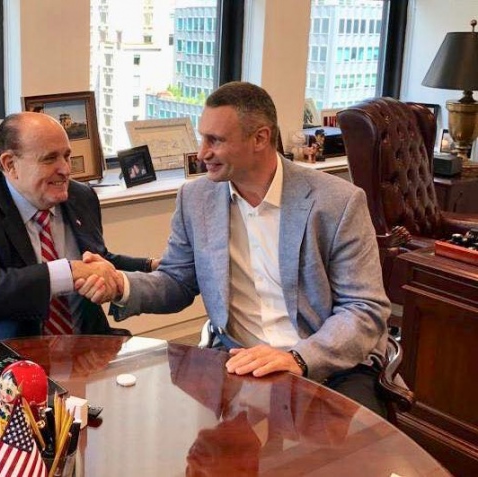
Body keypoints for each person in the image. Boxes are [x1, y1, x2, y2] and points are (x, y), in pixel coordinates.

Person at [77, 81, 390, 415]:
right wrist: (120, 284)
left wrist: (299, 358)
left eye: (215, 140)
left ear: (260, 138)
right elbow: (177, 282)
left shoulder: (337, 202)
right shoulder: (195, 199)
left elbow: (363, 308)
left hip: (329, 364)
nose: (202, 153)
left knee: (348, 447)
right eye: (202, 138)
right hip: (238, 360)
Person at [0, 112, 158, 350]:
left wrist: (151, 266)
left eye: (66, 156)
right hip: (5, 350)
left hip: (85, 343)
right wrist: (67, 273)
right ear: (10, 164)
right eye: (50, 159)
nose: (65, 169)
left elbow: (96, 260)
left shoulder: (81, 197)